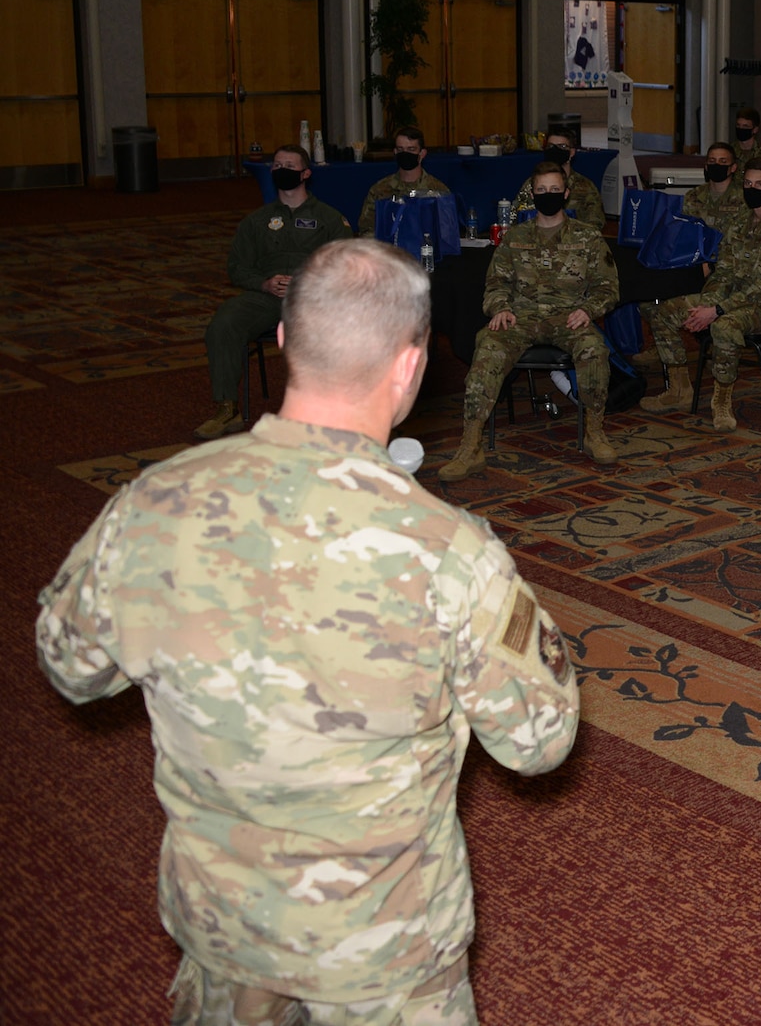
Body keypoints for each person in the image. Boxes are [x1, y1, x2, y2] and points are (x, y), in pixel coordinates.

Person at [39, 238, 578, 1022]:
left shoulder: (153, 503)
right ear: (409, 365)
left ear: (287, 341)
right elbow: (540, 739)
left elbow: (70, 664)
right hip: (384, 949)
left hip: (226, 928)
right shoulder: (448, 550)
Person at [439, 164, 620, 478]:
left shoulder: (587, 237)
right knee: (488, 346)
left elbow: (608, 287)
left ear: (565, 194)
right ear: (532, 196)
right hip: (520, 318)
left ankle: (594, 432)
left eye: (553, 191)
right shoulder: (516, 237)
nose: (547, 196)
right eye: (541, 191)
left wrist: (589, 310)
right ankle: (471, 446)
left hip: (570, 317)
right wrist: (500, 308)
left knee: (594, 349)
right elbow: (495, 283)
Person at [196, 144, 352, 440]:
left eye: (289, 166)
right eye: (277, 166)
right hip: (266, 296)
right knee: (224, 322)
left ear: (305, 173)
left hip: (312, 300)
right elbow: (237, 268)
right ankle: (227, 409)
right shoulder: (256, 221)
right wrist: (264, 283)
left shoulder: (330, 219)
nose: (282, 171)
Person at [641, 156, 761, 431]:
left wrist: (715, 312)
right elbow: (723, 272)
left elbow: (760, 287)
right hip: (729, 298)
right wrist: (707, 301)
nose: (752, 188)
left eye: (759, 184)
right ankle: (679, 389)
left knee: (724, 328)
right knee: (664, 310)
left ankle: (721, 402)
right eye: (748, 183)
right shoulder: (738, 222)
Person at [355, 128, 451, 237]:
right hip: (388, 251)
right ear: (395, 152)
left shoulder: (438, 191)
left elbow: (447, 232)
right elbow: (366, 229)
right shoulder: (379, 190)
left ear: (422, 153)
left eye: (411, 149)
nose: (405, 154)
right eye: (400, 149)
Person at [510, 128, 605, 229]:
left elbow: (596, 223)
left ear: (572, 152)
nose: (555, 150)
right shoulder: (532, 183)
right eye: (550, 146)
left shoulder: (586, 187)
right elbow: (514, 217)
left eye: (562, 146)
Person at [687, 141, 742, 227]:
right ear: (706, 166)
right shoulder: (693, 196)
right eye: (712, 161)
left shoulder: (743, 199)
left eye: (723, 161)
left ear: (733, 167)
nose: (717, 165)